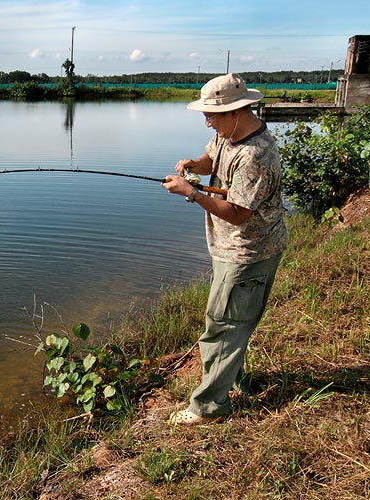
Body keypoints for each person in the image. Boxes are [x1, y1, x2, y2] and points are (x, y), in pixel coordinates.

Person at [161, 73, 287, 425]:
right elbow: (210, 160)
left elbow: (237, 213)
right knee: (230, 320)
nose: (207, 121)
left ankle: (208, 407)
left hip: (248, 252)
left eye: (212, 115)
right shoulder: (228, 133)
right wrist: (192, 166)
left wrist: (194, 194)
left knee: (223, 325)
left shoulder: (256, 155)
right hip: (229, 249)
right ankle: (236, 379)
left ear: (237, 111)